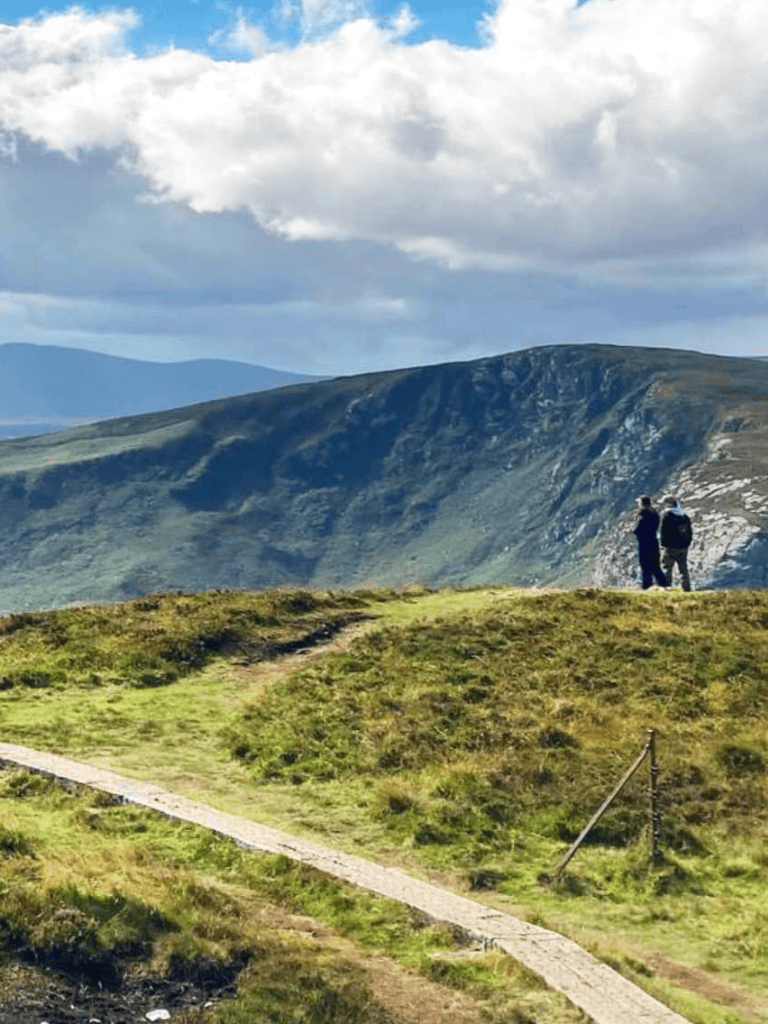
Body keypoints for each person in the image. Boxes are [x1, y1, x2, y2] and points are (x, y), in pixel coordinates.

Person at [633, 496, 669, 589]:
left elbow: (637, 530)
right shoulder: (654, 513)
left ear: (642, 504)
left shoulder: (643, 516)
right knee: (655, 566)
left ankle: (646, 586)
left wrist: (633, 529)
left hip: (644, 544)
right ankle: (664, 584)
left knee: (645, 566)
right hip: (654, 542)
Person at [660, 495, 693, 591]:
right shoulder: (684, 515)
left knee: (667, 567)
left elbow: (664, 532)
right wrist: (687, 544)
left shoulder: (667, 515)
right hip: (683, 547)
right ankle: (686, 588)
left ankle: (667, 588)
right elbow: (690, 532)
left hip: (670, 547)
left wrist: (663, 545)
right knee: (683, 568)